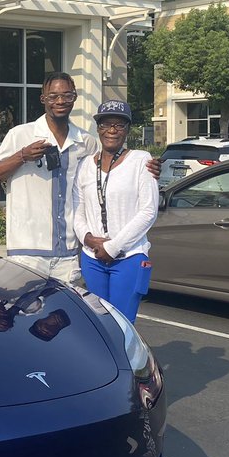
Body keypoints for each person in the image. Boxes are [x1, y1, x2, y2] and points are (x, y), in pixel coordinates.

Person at [0, 72, 96, 286]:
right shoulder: (21, 135)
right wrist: (22, 156)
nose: (60, 101)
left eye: (67, 95)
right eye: (53, 96)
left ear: (75, 97)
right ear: (43, 99)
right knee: (25, 317)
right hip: (27, 253)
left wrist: (145, 168)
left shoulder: (86, 142)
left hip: (68, 255)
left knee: (64, 317)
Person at [73, 99, 159, 323]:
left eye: (119, 125)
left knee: (121, 324)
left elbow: (148, 211)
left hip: (128, 256)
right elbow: (77, 209)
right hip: (92, 257)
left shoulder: (141, 161)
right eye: (106, 124)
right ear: (98, 128)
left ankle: (128, 360)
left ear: (128, 130)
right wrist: (89, 239)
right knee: (97, 324)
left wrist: (112, 246)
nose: (112, 130)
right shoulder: (84, 166)